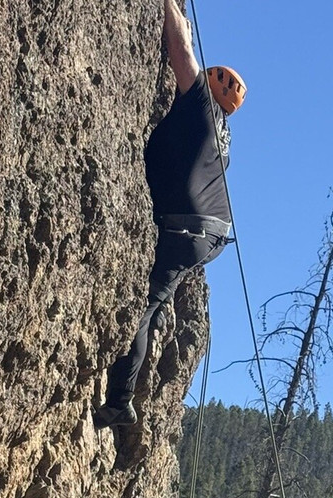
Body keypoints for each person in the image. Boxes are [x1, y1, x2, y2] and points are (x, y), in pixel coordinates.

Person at [94, 0, 246, 429]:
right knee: (157, 302)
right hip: (207, 233)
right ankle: (125, 390)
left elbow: (180, 50)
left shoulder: (201, 105)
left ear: (214, 84)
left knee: (147, 305)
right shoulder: (220, 131)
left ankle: (119, 401)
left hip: (186, 226)